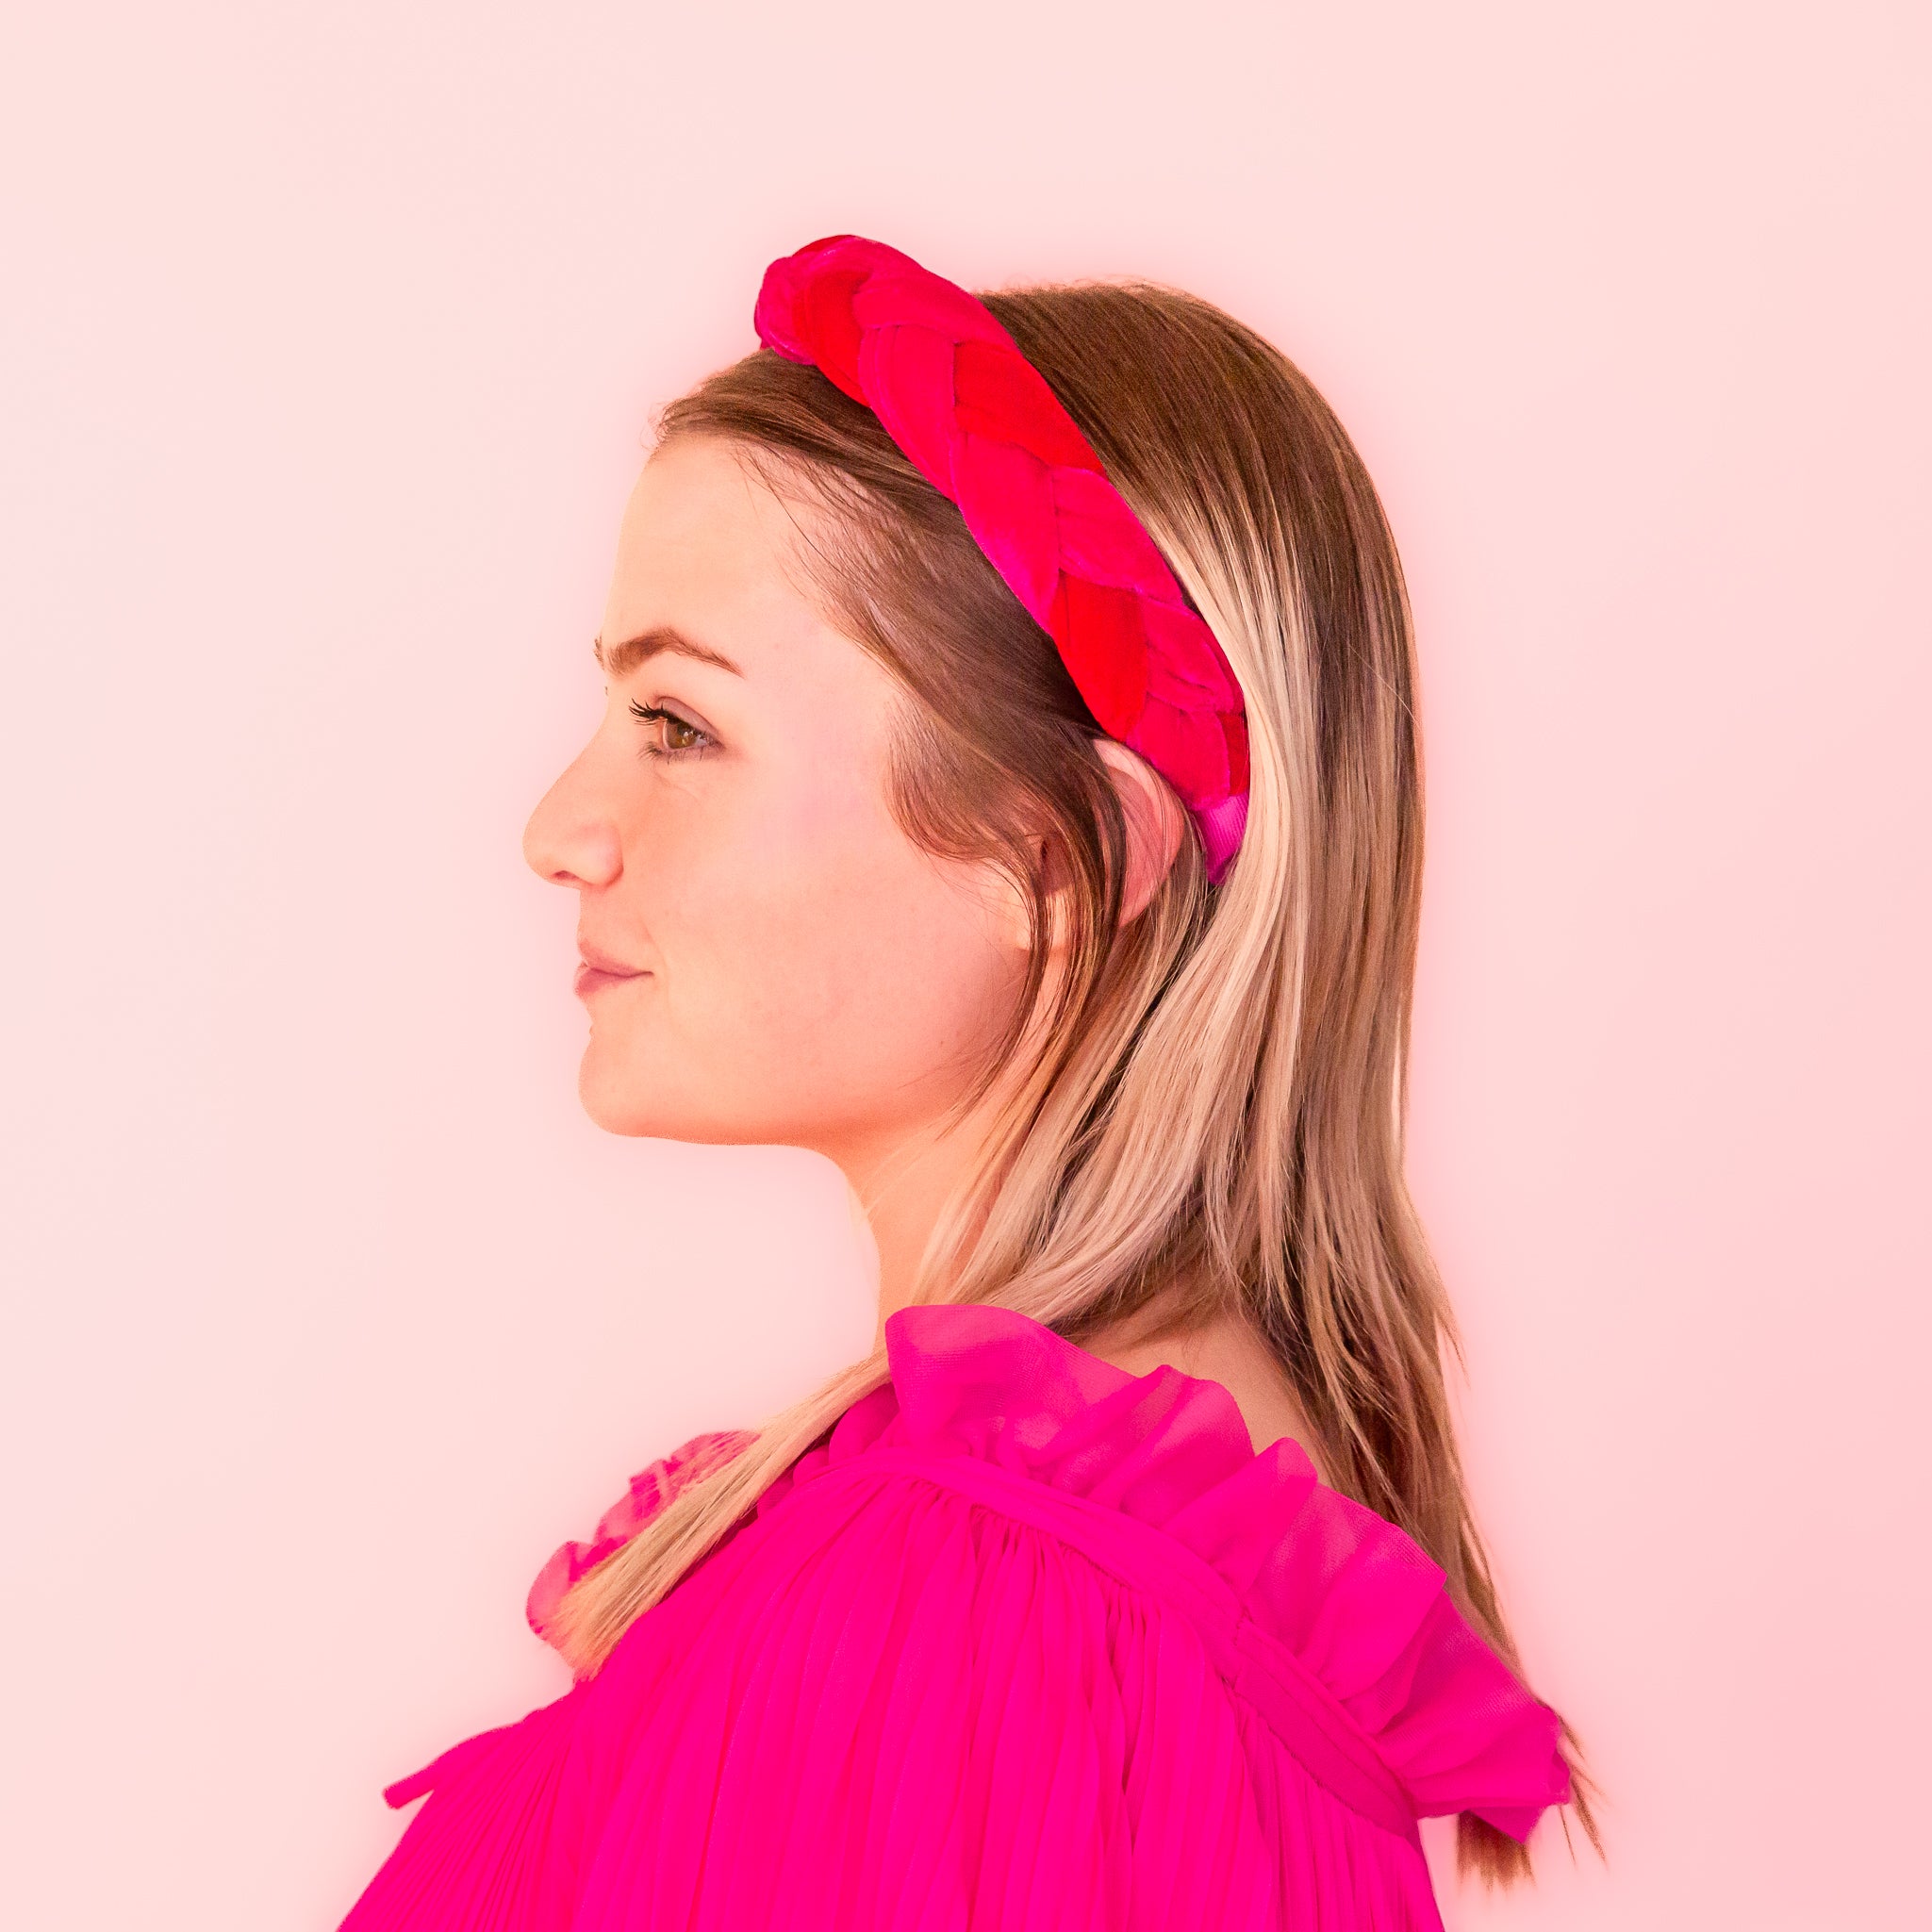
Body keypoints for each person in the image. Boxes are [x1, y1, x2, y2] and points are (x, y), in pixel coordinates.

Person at [338, 234, 1593, 1930]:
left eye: (681, 724)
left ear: (1051, 862)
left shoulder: (973, 1617)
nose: (562, 828)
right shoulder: (1148, 1590)